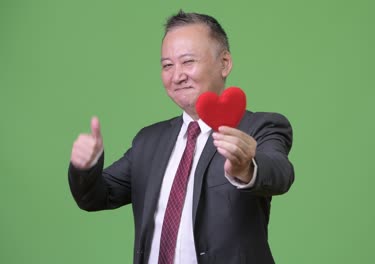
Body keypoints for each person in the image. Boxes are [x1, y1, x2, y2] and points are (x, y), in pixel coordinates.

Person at [68, 10, 294, 264]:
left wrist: (247, 167)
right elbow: (97, 196)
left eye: (188, 62)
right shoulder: (148, 141)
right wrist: (86, 167)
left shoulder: (259, 126)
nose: (177, 76)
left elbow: (280, 173)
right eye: (167, 65)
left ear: (225, 63)